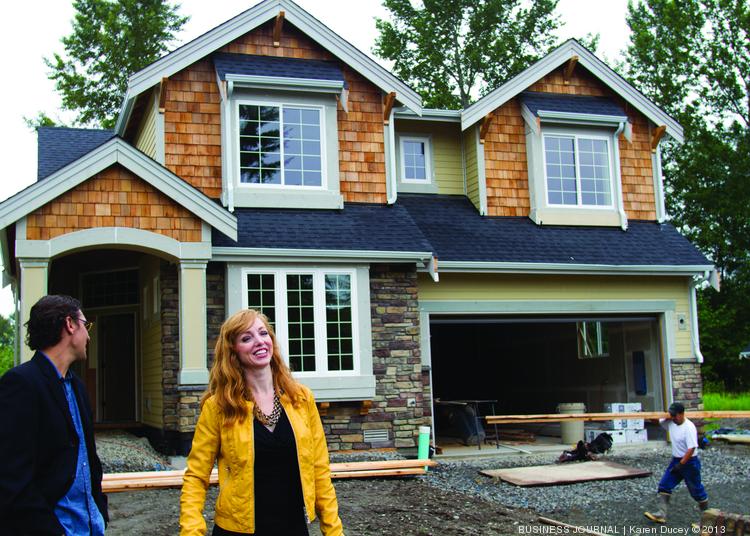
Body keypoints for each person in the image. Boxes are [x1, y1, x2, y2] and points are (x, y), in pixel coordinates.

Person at [180, 309, 343, 536]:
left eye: (263, 333)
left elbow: (320, 472)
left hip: (293, 528)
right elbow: (196, 477)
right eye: (246, 338)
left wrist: (333, 531)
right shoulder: (218, 407)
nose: (259, 342)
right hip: (237, 531)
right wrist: (191, 531)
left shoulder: (302, 399)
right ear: (233, 352)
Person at [0, 295, 108, 535]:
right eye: (86, 325)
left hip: (89, 527)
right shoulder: (20, 384)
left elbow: (88, 460)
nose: (89, 336)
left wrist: (100, 510)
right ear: (70, 325)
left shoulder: (77, 387)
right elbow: (12, 479)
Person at [644, 402, 708, 524]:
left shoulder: (689, 427)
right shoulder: (671, 422)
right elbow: (657, 422)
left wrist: (681, 465)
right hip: (676, 460)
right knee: (664, 485)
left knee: (696, 491)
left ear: (682, 414)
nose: (673, 418)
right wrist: (650, 414)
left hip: (689, 462)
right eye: (671, 415)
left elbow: (691, 448)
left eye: (675, 415)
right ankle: (661, 514)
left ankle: (706, 520)